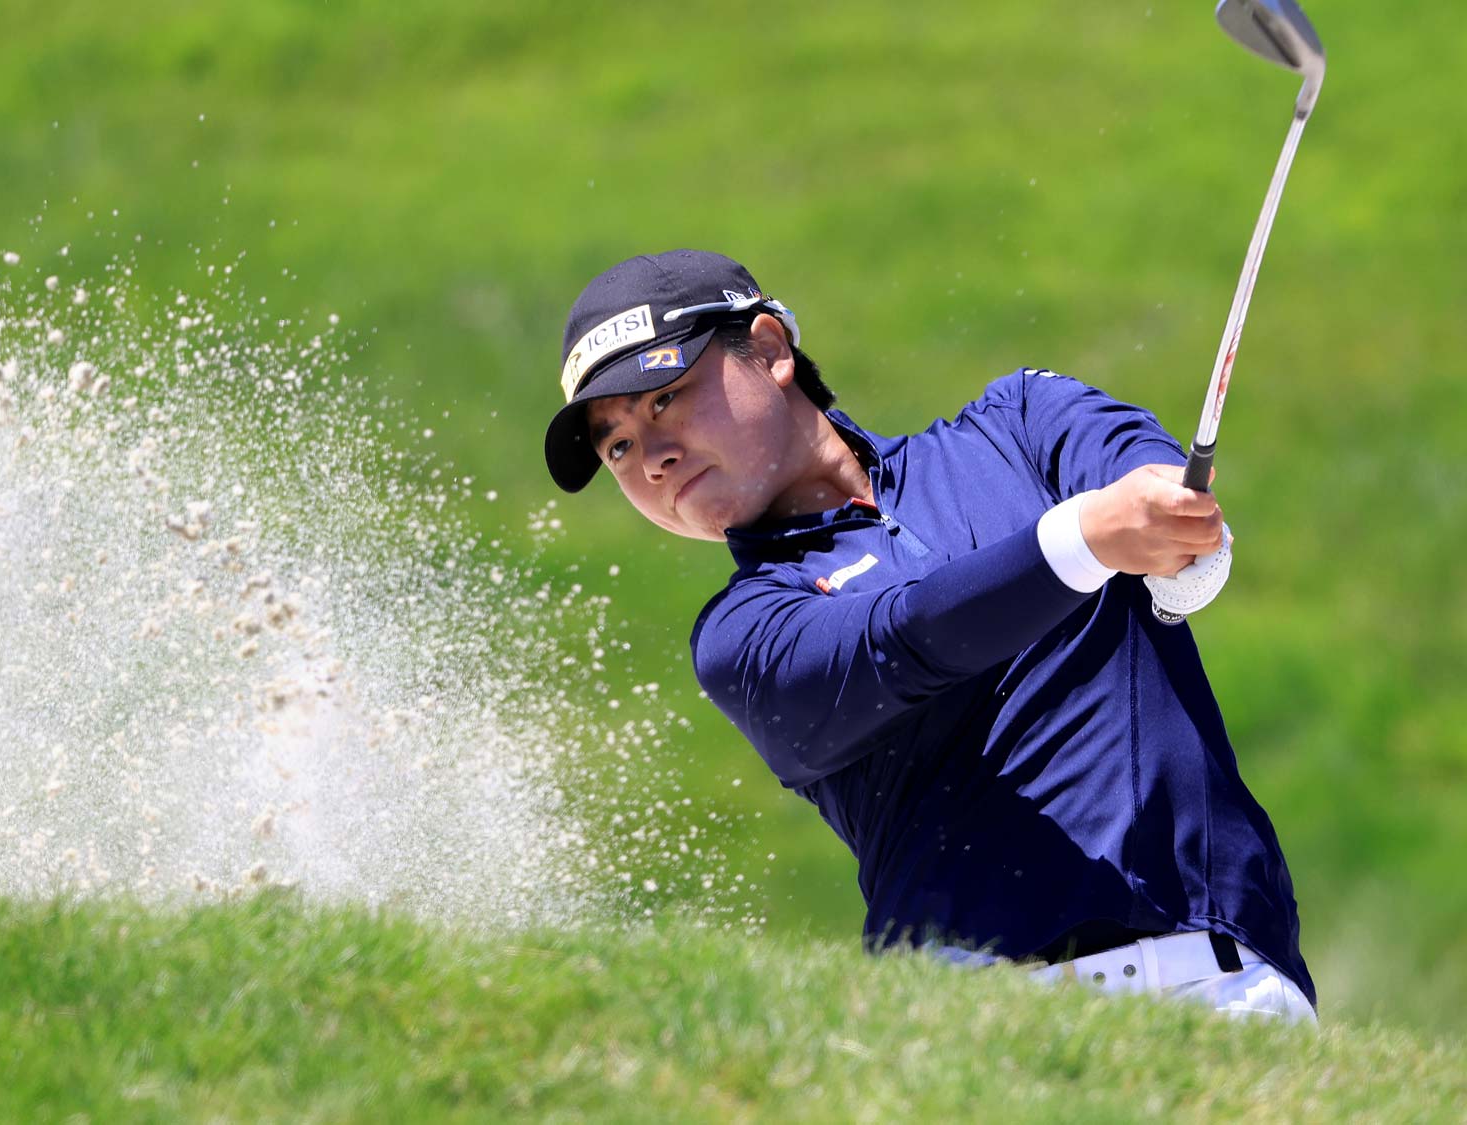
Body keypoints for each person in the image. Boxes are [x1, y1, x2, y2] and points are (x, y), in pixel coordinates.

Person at [543, 249, 1315, 1023]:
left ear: (772, 350)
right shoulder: (741, 636)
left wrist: (1186, 540)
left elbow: (1148, 480)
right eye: (617, 446)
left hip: (1229, 990)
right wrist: (1084, 540)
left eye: (666, 397)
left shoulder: (1021, 421)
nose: (650, 458)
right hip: (976, 1028)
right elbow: (904, 637)